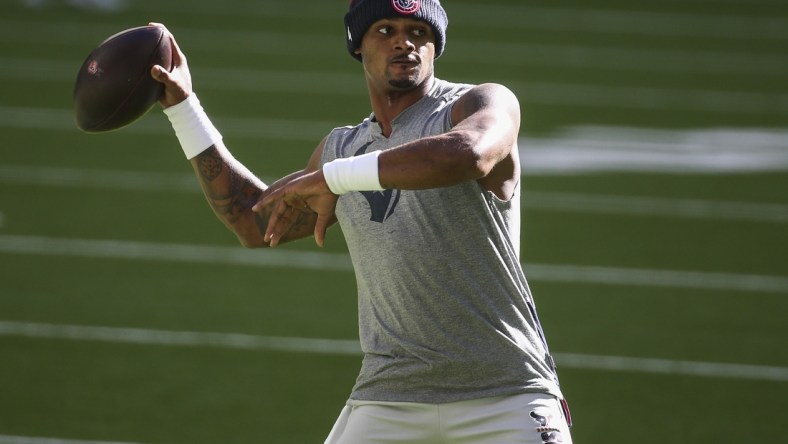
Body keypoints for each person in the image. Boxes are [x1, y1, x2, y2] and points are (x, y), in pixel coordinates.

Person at [150, 0, 573, 442]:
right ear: (358, 45)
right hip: (389, 397)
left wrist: (336, 179)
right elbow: (254, 223)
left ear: (436, 46)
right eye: (385, 30)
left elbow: (470, 154)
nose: (404, 42)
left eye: (419, 32)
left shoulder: (478, 104)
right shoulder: (340, 149)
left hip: (507, 394)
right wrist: (184, 109)